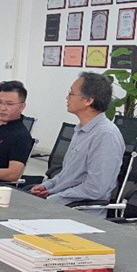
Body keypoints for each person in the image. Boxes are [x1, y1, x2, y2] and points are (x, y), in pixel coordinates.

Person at [30, 72, 124, 211]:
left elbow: (95, 188)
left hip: (80, 211)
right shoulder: (81, 130)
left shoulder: (106, 135)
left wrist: (52, 199)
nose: (67, 98)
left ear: (88, 101)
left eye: (71, 94)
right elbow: (68, 176)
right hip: (61, 203)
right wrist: (47, 186)